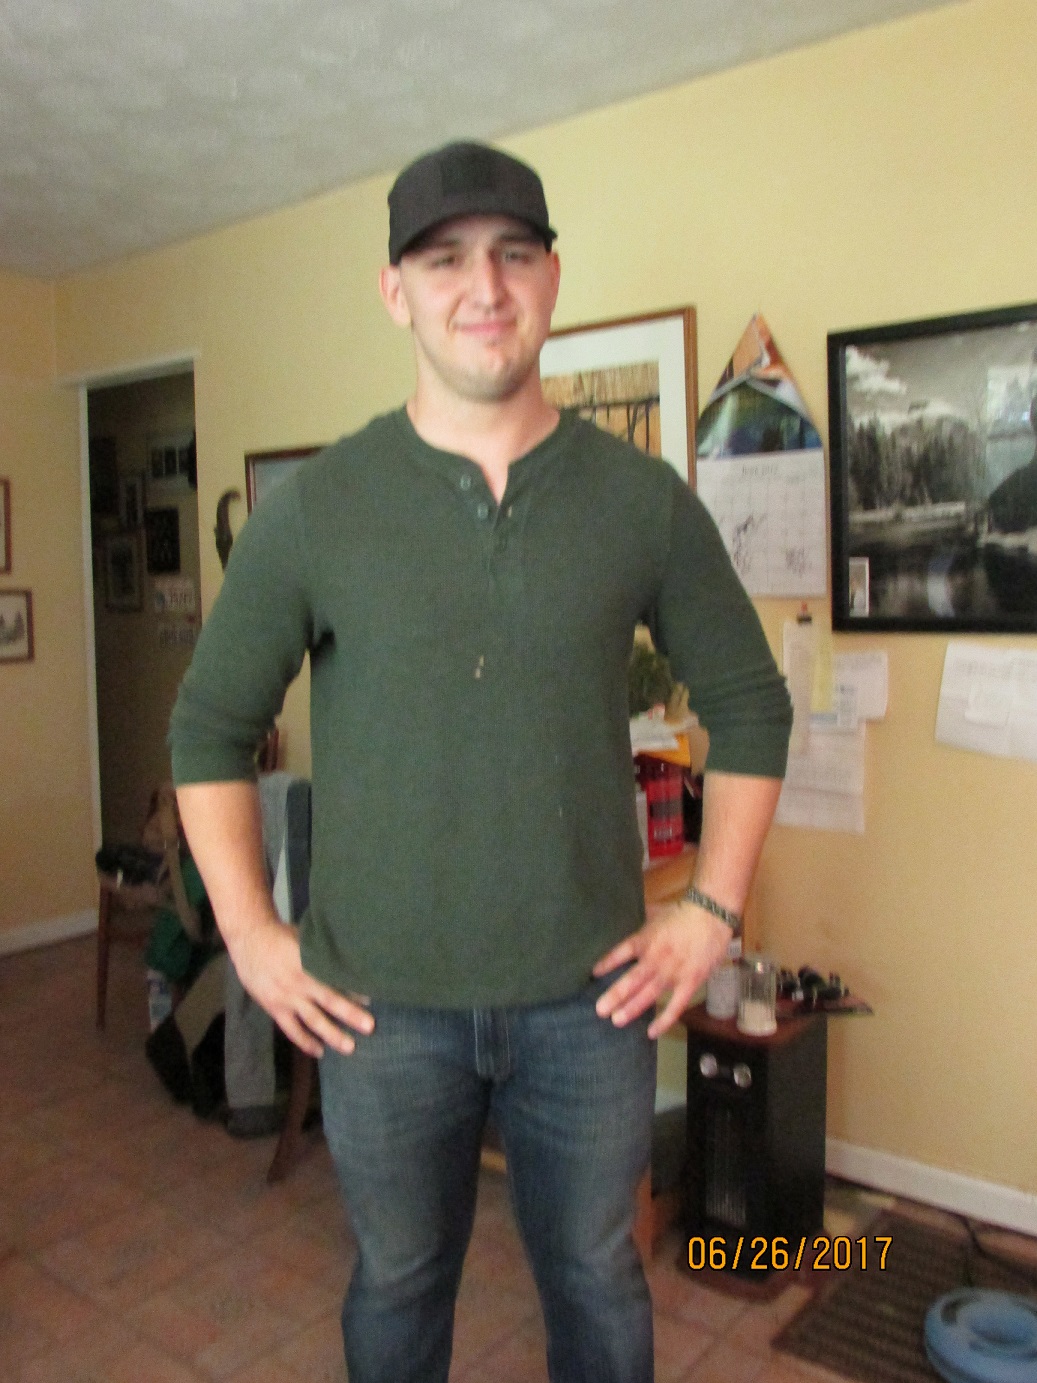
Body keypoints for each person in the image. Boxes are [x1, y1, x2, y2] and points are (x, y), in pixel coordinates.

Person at [170, 140, 792, 1383]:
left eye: (512, 255)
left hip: (589, 1004)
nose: (484, 288)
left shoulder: (637, 501)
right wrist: (249, 933)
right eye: (444, 260)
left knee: (599, 1280)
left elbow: (750, 708)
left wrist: (712, 913)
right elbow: (208, 730)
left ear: (551, 277)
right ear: (394, 291)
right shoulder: (319, 508)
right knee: (399, 1287)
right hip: (380, 1012)